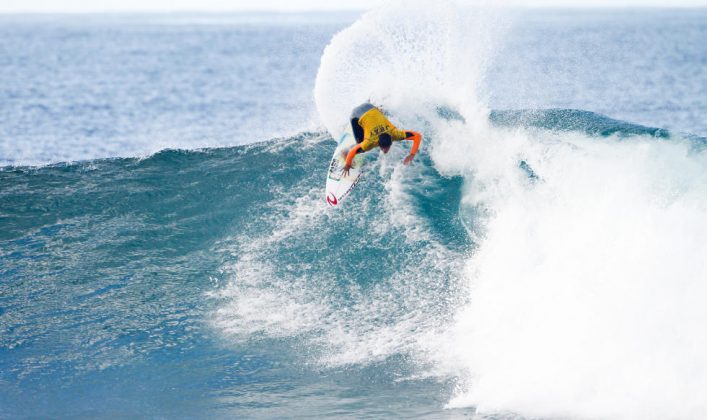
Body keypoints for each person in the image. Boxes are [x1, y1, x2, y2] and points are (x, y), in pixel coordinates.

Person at [341, 103, 422, 177]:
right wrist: (347, 165)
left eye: (386, 147)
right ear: (378, 143)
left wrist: (412, 154)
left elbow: (417, 136)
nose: (384, 150)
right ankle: (344, 152)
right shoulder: (370, 141)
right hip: (356, 114)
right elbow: (353, 151)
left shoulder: (395, 134)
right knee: (361, 146)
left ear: (391, 141)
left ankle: (379, 107)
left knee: (379, 116)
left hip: (369, 107)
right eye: (383, 148)